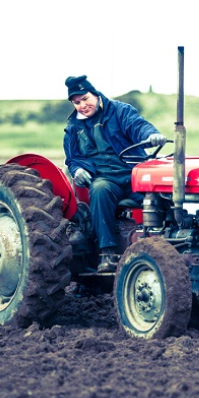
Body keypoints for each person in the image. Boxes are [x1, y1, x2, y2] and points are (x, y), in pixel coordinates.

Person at [63, 75, 166, 273]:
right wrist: (78, 170)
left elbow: (138, 126)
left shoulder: (119, 111)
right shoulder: (73, 128)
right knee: (100, 190)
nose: (82, 105)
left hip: (133, 174)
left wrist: (150, 135)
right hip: (105, 179)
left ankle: (165, 243)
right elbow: (72, 159)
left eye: (85, 99)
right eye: (77, 103)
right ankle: (107, 253)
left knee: (160, 194)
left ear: (95, 94)